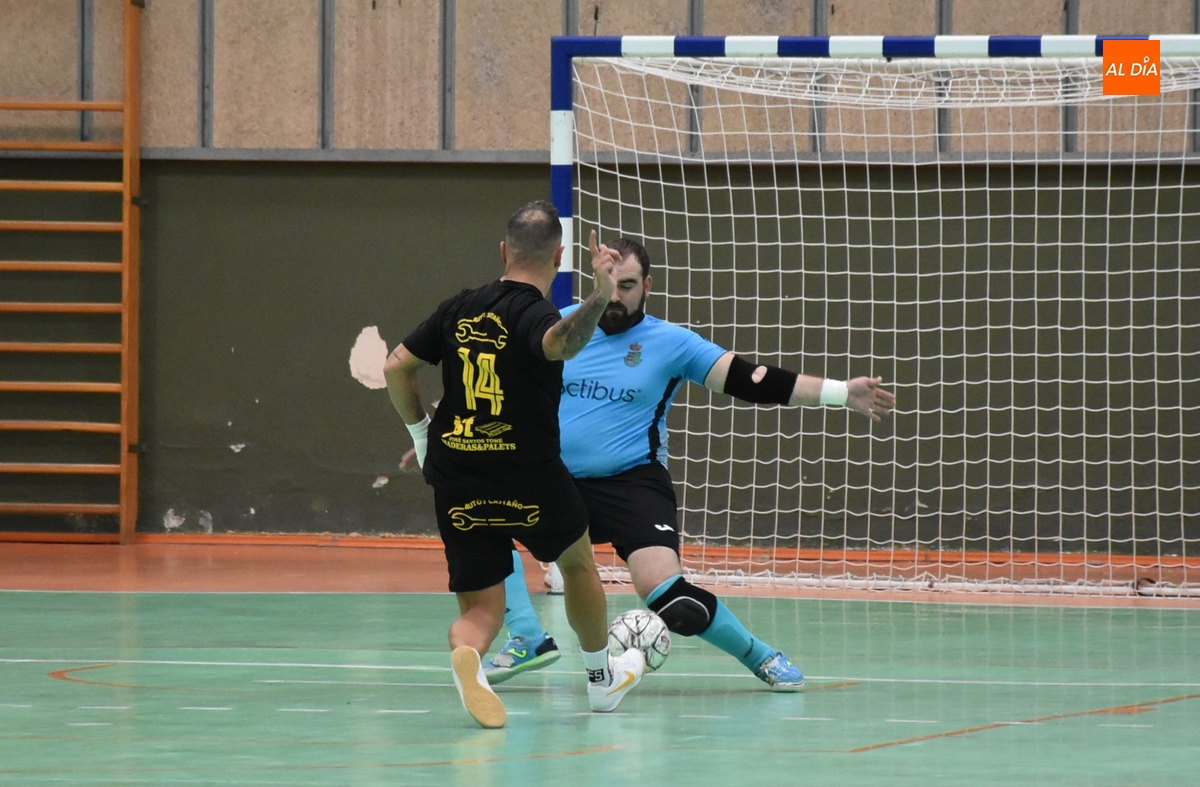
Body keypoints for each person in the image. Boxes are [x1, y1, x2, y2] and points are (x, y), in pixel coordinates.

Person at [420, 237, 897, 691]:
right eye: (609, 284)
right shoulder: (557, 328)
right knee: (483, 521)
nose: (616, 296)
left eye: (627, 285)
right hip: (550, 477)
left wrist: (839, 393)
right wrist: (447, 433)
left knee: (673, 600)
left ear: (647, 286)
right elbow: (487, 386)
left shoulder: (672, 343)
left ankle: (760, 655)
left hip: (631, 482)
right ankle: (528, 636)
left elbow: (750, 379)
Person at [384, 202, 646, 728]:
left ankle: (468, 655)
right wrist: (599, 294)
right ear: (559, 256)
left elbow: (395, 367)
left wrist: (422, 434)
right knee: (577, 565)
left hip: (457, 474)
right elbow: (560, 344)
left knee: (481, 610)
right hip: (528, 475)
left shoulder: (457, 307)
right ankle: (601, 680)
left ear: (504, 250)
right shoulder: (536, 314)